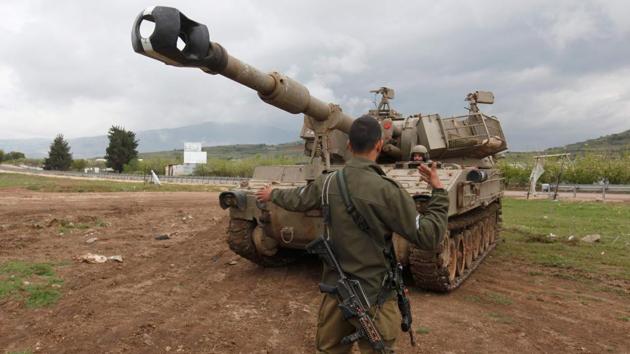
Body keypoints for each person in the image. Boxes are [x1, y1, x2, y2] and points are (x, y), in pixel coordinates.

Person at [255, 115, 449, 353]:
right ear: (379, 144)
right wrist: (438, 191)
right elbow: (429, 236)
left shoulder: (327, 183)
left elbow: (297, 198)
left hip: (336, 292)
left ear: (348, 145)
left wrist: (272, 194)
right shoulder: (388, 190)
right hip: (374, 295)